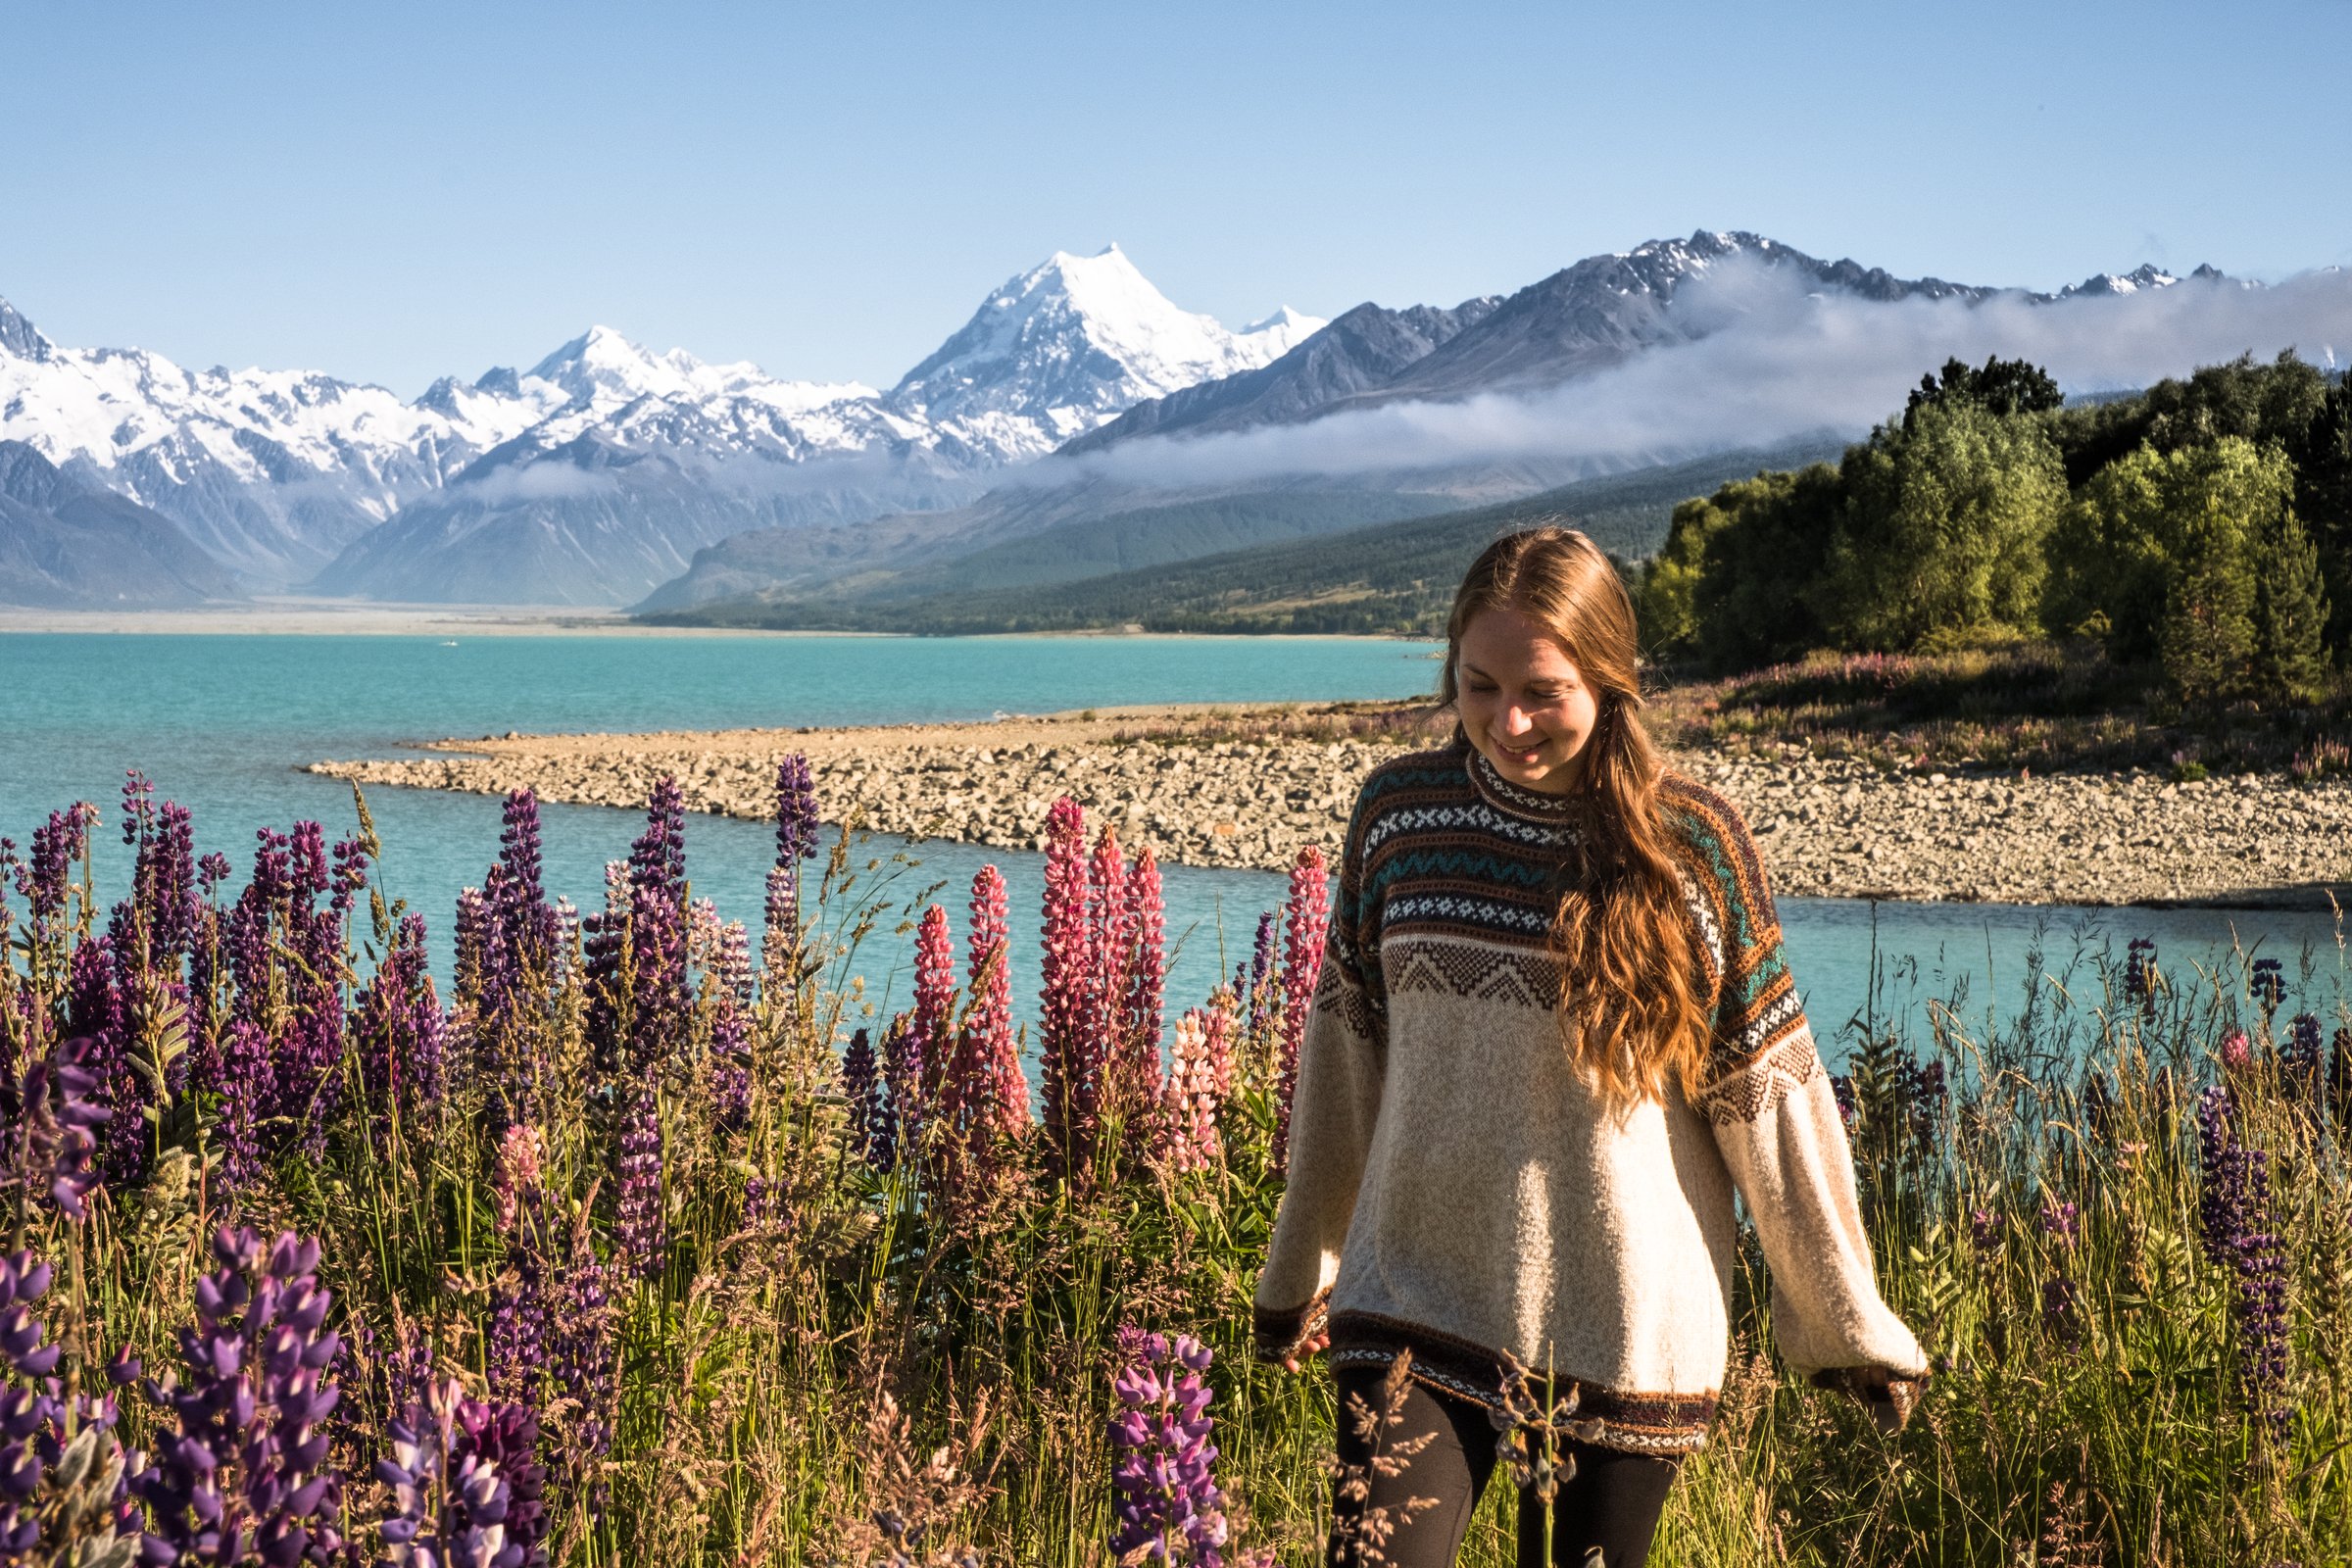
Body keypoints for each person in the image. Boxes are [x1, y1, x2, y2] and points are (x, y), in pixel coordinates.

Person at [1253, 526, 1928, 1567]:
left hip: (1625, 1313)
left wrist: (1849, 1324)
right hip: (1414, 1292)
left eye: (1544, 691)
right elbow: (1346, 1056)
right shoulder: (1399, 817)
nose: (1507, 722)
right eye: (1479, 686)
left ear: (1610, 682)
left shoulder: (1690, 847)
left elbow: (1771, 1097)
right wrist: (1303, 1263)